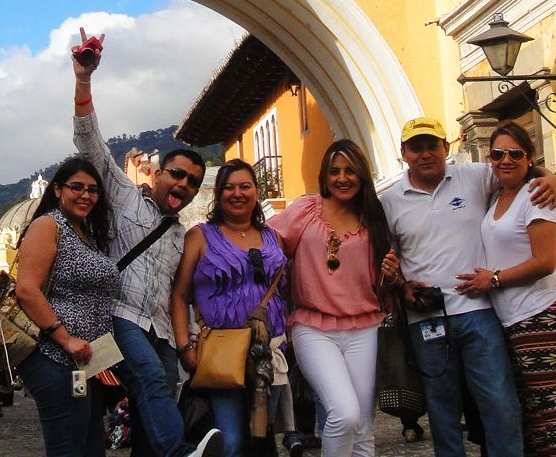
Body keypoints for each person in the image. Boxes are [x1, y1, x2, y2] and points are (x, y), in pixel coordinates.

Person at [71, 30, 225, 457]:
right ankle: (183, 454)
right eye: (178, 175)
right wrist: (83, 79)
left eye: (193, 181)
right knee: (152, 382)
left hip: (160, 327)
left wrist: (187, 342)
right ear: (157, 175)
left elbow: (182, 294)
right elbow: (90, 143)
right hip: (119, 316)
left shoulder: (184, 234)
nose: (186, 184)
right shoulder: (124, 197)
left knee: (150, 407)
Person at [379, 116, 556, 457]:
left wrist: (550, 177)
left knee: (499, 404)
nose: (425, 154)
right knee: (442, 413)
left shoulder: (474, 176)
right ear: (403, 153)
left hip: (480, 313)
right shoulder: (390, 201)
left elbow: (518, 168)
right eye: (416, 148)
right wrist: (401, 285)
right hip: (427, 320)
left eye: (432, 145)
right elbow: (386, 258)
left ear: (446, 148)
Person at [458, 124, 556, 456]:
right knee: (532, 416)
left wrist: (494, 279)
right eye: (498, 154)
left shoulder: (537, 196)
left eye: (516, 153)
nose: (506, 160)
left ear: (529, 158)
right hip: (514, 318)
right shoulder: (497, 195)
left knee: (553, 409)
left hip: (541, 312)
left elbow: (544, 262)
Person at [267, 140, 393, 457]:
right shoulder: (307, 210)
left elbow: (380, 284)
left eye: (350, 171)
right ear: (324, 176)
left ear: (362, 175)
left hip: (364, 328)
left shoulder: (374, 218)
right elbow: (265, 243)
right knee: (344, 412)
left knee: (363, 426)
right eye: (334, 171)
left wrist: (390, 274)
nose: (342, 178)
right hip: (313, 327)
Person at [171, 159, 289, 457]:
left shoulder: (272, 236)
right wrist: (185, 348)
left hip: (269, 352)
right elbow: (178, 295)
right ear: (219, 194)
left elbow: (286, 288)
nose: (237, 194)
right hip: (223, 352)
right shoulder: (200, 236)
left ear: (256, 192)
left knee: (262, 438)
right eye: (229, 188)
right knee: (232, 440)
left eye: (245, 187)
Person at [13, 157, 121, 457]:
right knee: (68, 449)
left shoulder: (87, 234)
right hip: (54, 356)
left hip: (87, 362)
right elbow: (26, 289)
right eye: (77, 187)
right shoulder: (48, 225)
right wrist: (66, 338)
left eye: (93, 190)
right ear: (58, 189)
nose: (86, 195)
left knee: (90, 447)